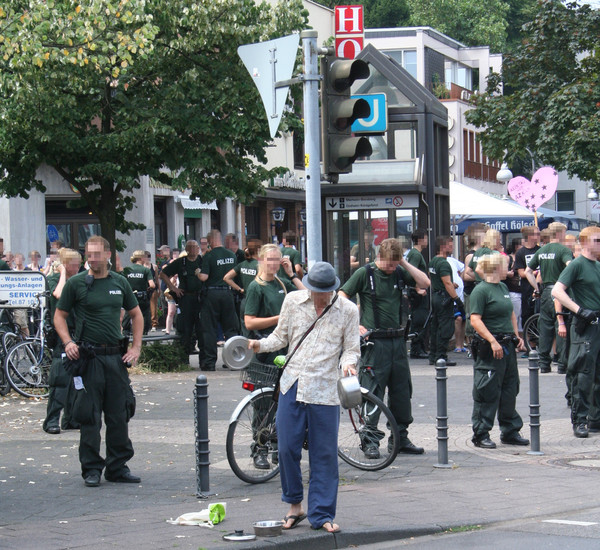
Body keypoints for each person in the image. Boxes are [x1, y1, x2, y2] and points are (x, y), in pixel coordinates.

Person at [248, 262, 360, 533]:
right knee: (286, 448)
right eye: (314, 291)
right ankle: (295, 504)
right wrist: (258, 344)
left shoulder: (348, 310)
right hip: (292, 383)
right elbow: (280, 337)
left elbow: (351, 348)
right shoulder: (293, 301)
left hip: (325, 389)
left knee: (323, 454)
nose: (317, 297)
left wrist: (349, 363)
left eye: (323, 292)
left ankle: (321, 514)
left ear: (333, 289)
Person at [54, 236, 143, 487]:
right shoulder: (77, 284)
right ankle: (92, 468)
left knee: (119, 414)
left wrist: (136, 348)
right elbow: (59, 316)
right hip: (89, 358)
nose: (92, 258)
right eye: (88, 254)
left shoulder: (120, 282)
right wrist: (69, 342)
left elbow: (136, 315)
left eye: (96, 254)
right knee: (89, 416)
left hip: (115, 357)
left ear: (107, 254)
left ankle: (117, 467)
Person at [340, 238, 430, 456]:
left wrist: (404, 264)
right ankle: (369, 439)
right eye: (389, 263)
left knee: (401, 391)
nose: (391, 268)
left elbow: (425, 283)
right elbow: (342, 296)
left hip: (398, 342)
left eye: (394, 263)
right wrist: (356, 323)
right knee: (372, 391)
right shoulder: (365, 273)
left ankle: (400, 438)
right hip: (375, 342)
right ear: (379, 256)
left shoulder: (399, 271)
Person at [470, 254, 529, 449]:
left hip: (507, 346)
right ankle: (481, 433)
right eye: (506, 266)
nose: (509, 270)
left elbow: (510, 313)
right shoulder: (481, 290)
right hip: (491, 348)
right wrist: (492, 341)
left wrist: (516, 336)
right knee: (487, 390)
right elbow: (475, 320)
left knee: (510, 388)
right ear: (496, 268)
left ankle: (510, 430)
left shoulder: (503, 287)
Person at [552, 227, 600, 438]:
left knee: (596, 374)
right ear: (585, 242)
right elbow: (556, 290)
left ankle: (595, 418)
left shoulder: (596, 265)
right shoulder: (577, 264)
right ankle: (580, 420)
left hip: (596, 324)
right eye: (597, 240)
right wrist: (579, 311)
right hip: (585, 327)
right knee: (583, 375)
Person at [43, 248, 82, 434]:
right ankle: (51, 420)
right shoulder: (54, 280)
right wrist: (63, 273)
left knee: (77, 379)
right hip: (62, 335)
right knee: (60, 379)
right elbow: (58, 294)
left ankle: (71, 419)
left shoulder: (81, 280)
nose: (79, 266)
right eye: (75, 263)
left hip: (79, 333)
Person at [525, 222, 572, 373]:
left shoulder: (542, 250)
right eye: (564, 233)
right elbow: (571, 266)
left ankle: (544, 363)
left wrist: (536, 287)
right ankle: (562, 364)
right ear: (559, 234)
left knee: (545, 327)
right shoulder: (564, 250)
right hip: (560, 292)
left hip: (545, 292)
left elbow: (527, 271)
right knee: (561, 325)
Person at [198, 230, 239, 371]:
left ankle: (209, 363)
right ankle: (234, 359)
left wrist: (197, 272)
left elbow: (204, 277)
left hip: (212, 294)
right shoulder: (231, 255)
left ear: (210, 241)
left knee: (209, 329)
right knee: (231, 328)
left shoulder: (209, 256)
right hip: (228, 293)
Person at [160, 240, 203, 362]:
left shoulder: (203, 261)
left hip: (201, 298)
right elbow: (163, 274)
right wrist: (173, 288)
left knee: (202, 329)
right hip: (186, 298)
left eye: (196, 247)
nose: (195, 249)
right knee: (185, 329)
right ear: (187, 249)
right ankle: (184, 359)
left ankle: (205, 361)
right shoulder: (181, 262)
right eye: (191, 247)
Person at [428, 236, 465, 366]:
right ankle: (441, 356)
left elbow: (437, 280)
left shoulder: (433, 261)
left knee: (436, 326)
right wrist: (457, 300)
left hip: (436, 297)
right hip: (444, 299)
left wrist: (449, 284)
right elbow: (447, 283)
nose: (452, 247)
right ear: (443, 247)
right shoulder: (444, 263)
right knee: (446, 327)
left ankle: (433, 355)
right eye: (450, 244)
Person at [223, 239, 261, 337]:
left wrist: (240, 289)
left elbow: (226, 278)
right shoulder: (259, 266)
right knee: (258, 333)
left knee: (245, 332)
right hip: (257, 303)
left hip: (244, 301)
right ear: (258, 250)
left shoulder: (242, 265)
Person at [405, 229, 430, 359]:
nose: (427, 240)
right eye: (425, 238)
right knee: (419, 319)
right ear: (420, 240)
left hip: (416, 291)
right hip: (418, 293)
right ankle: (416, 348)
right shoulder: (415, 254)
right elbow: (411, 272)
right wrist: (417, 288)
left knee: (419, 319)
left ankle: (418, 347)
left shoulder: (414, 253)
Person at [514, 226, 541, 344]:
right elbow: (521, 273)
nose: (539, 236)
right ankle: (531, 345)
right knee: (527, 316)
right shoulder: (521, 253)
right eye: (536, 234)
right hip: (526, 290)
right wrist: (534, 272)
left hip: (540, 288)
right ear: (530, 236)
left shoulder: (540, 250)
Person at [123, 250, 155, 335]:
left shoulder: (127, 270)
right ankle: (143, 336)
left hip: (130, 297)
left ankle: (126, 335)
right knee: (144, 316)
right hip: (142, 298)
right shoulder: (145, 270)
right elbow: (152, 285)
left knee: (128, 315)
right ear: (141, 258)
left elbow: (123, 283)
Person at [504, 238, 522, 335]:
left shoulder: (522, 257)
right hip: (512, 290)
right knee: (515, 314)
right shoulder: (509, 258)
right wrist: (508, 273)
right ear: (516, 247)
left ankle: (521, 338)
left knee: (521, 316)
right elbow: (503, 272)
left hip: (522, 290)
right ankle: (514, 337)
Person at [143, 251, 160, 332]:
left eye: (148, 256)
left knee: (153, 307)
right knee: (145, 307)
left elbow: (156, 279)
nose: (147, 258)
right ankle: (145, 323)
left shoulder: (154, 266)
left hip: (153, 288)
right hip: (144, 288)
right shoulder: (142, 267)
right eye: (146, 256)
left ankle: (154, 324)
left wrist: (159, 289)